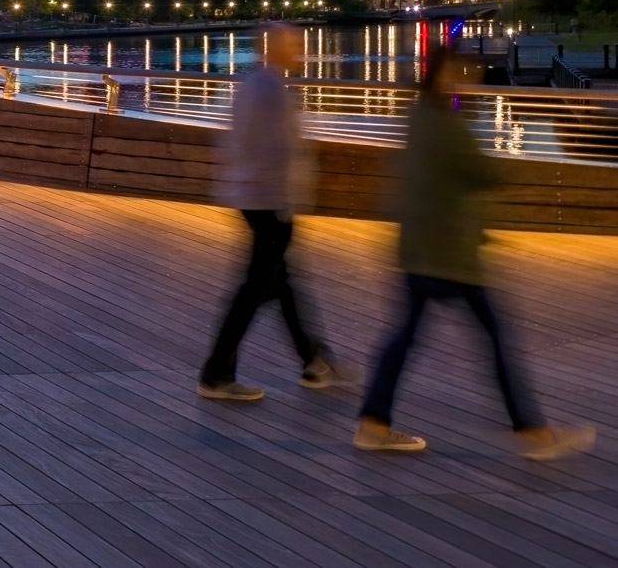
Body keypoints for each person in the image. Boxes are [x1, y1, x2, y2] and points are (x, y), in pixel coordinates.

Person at [354, 50, 594, 458]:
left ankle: (373, 423)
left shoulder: (417, 118)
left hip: (417, 246)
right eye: (459, 74)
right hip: (452, 254)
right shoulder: (448, 125)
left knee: (405, 337)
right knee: (495, 339)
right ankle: (533, 434)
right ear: (442, 77)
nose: (466, 81)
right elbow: (485, 173)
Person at [198, 24, 333, 402]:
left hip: (251, 196)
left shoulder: (251, 85)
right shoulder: (272, 90)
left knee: (279, 281)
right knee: (256, 288)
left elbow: (238, 143)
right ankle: (216, 373)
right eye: (292, 45)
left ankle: (314, 361)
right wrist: (289, 204)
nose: (299, 51)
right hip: (269, 201)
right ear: (274, 48)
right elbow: (282, 152)